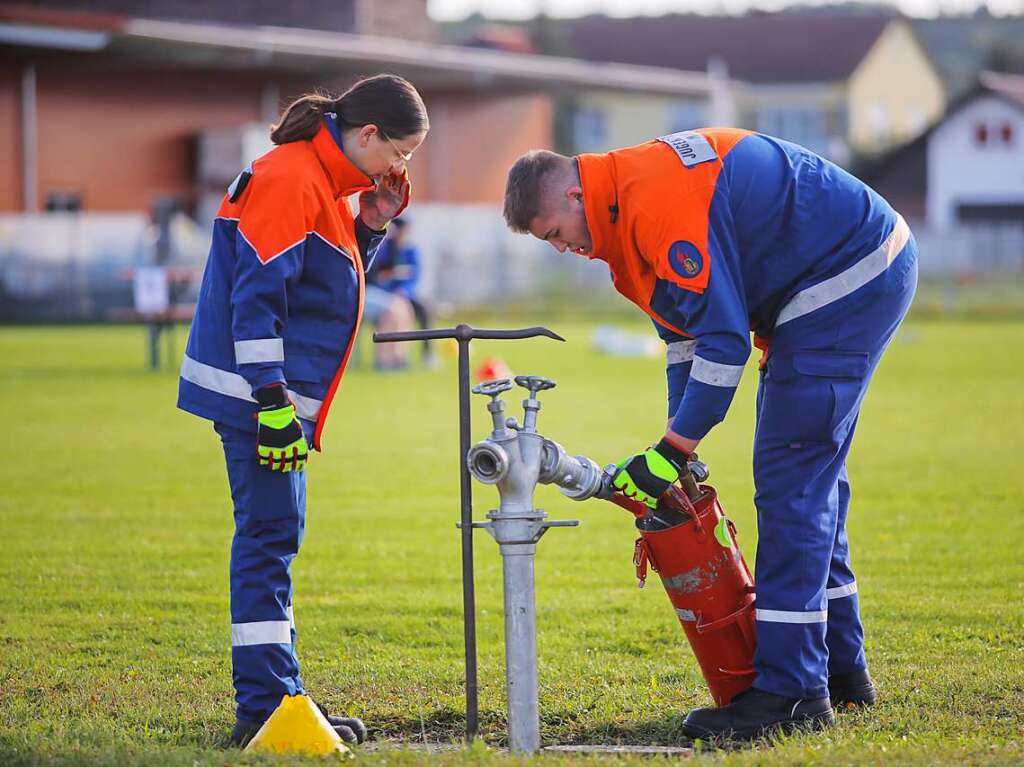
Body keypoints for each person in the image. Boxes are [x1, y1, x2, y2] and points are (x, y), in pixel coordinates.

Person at [502, 129, 917, 741]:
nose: (564, 249)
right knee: (810, 481)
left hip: (846, 275)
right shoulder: (621, 217)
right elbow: (685, 341)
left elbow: (724, 347)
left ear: (571, 192)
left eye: (556, 234)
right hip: (846, 268)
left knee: (791, 483)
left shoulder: (652, 206)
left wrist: (672, 452)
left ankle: (792, 694)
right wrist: (678, 447)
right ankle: (838, 670)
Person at [176, 74, 428, 747]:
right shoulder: (294, 177)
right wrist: (272, 403)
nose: (401, 168)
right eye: (399, 151)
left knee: (276, 538)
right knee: (267, 543)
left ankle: (281, 695)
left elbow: (319, 287)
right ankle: (263, 708)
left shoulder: (323, 182)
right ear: (368, 133)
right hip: (256, 397)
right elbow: (255, 301)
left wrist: (370, 224)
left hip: (270, 398)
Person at [367, 218, 434, 365]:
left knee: (423, 309)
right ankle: (389, 358)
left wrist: (403, 290)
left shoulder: (411, 251)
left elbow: (415, 277)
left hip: (404, 294)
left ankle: (426, 353)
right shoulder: (385, 249)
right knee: (397, 310)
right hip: (385, 294)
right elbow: (377, 275)